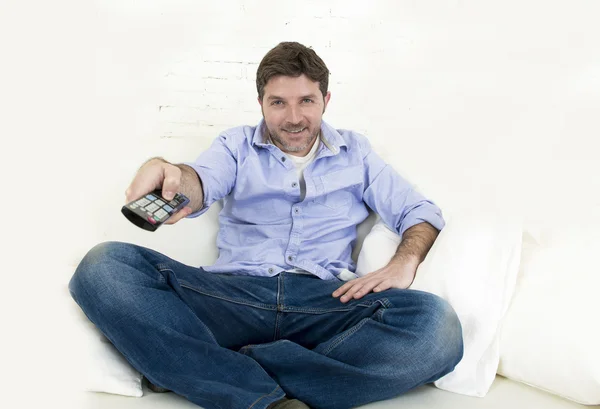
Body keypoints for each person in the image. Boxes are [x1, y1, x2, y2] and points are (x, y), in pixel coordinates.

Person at [69, 41, 463, 409]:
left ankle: (211, 370)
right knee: (103, 267)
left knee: (437, 328)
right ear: (260, 103)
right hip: (231, 298)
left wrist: (404, 261)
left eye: (306, 101)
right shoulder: (235, 146)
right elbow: (200, 182)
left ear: (325, 100)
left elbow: (421, 211)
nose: (293, 118)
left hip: (325, 304)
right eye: (278, 103)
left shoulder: (356, 153)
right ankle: (258, 389)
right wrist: (170, 172)